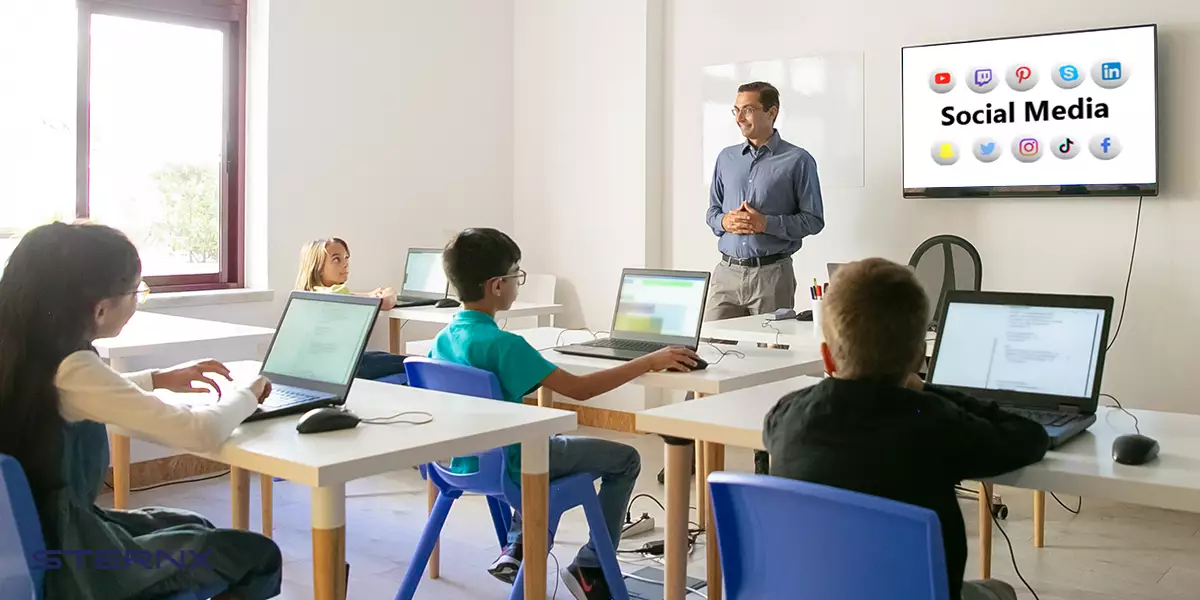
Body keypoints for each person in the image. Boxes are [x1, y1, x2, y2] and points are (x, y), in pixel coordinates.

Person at [0, 222, 281, 600]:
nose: (137, 300)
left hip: (27, 543)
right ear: (100, 309)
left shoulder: (20, 351)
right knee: (256, 555)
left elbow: (75, 394)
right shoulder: (72, 368)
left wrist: (156, 378)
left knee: (189, 522)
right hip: (74, 561)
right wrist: (250, 392)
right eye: (136, 291)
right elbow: (200, 433)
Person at [430, 228, 700, 600]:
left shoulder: (442, 341)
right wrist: (650, 361)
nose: (517, 283)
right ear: (496, 286)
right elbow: (581, 390)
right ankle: (590, 566)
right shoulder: (505, 345)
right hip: (514, 466)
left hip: (458, 465)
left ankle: (519, 546)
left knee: (540, 440)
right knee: (625, 458)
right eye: (516, 275)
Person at [763, 258, 1049, 600]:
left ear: (826, 357)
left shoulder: (785, 415)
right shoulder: (932, 420)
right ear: (919, 358)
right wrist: (927, 389)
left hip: (810, 592)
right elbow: (1028, 436)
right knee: (999, 590)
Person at [705, 80, 825, 475]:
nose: (740, 117)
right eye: (736, 110)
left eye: (749, 109)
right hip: (726, 274)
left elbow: (813, 220)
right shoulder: (726, 158)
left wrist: (765, 223)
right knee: (702, 358)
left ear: (772, 112)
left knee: (767, 369)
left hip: (772, 274)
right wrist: (726, 221)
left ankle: (764, 457)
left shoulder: (798, 160)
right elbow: (712, 215)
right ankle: (692, 447)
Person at [296, 237, 408, 381]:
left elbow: (352, 295)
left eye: (346, 259)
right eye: (336, 260)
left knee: (382, 355)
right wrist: (390, 292)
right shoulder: (337, 294)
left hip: (322, 367)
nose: (345, 265)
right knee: (409, 362)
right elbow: (387, 302)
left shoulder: (309, 293)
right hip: (346, 367)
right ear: (317, 266)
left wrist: (369, 295)